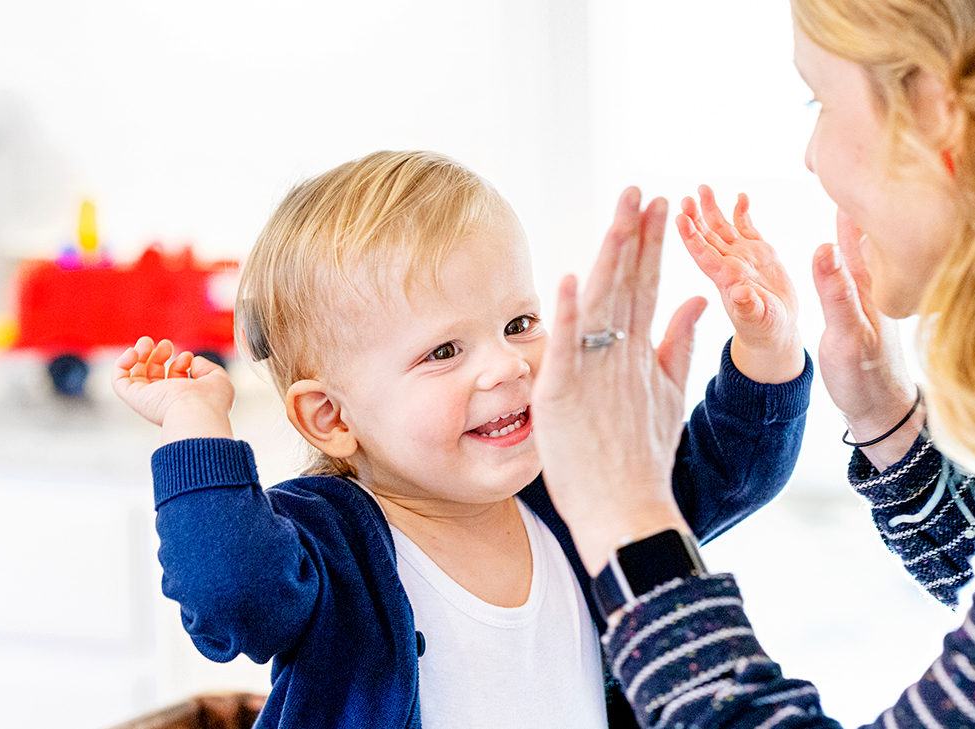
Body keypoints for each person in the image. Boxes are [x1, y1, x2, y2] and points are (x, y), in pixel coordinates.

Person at [529, 1, 975, 727]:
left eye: (819, 100)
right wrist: (888, 423)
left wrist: (630, 522)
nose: (810, 155)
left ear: (938, 110)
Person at [110, 150, 813, 728]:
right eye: (444, 351)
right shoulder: (326, 541)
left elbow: (725, 472)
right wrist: (195, 418)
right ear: (332, 418)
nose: (507, 364)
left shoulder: (574, 497)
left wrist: (769, 351)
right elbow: (229, 594)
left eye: (518, 324)